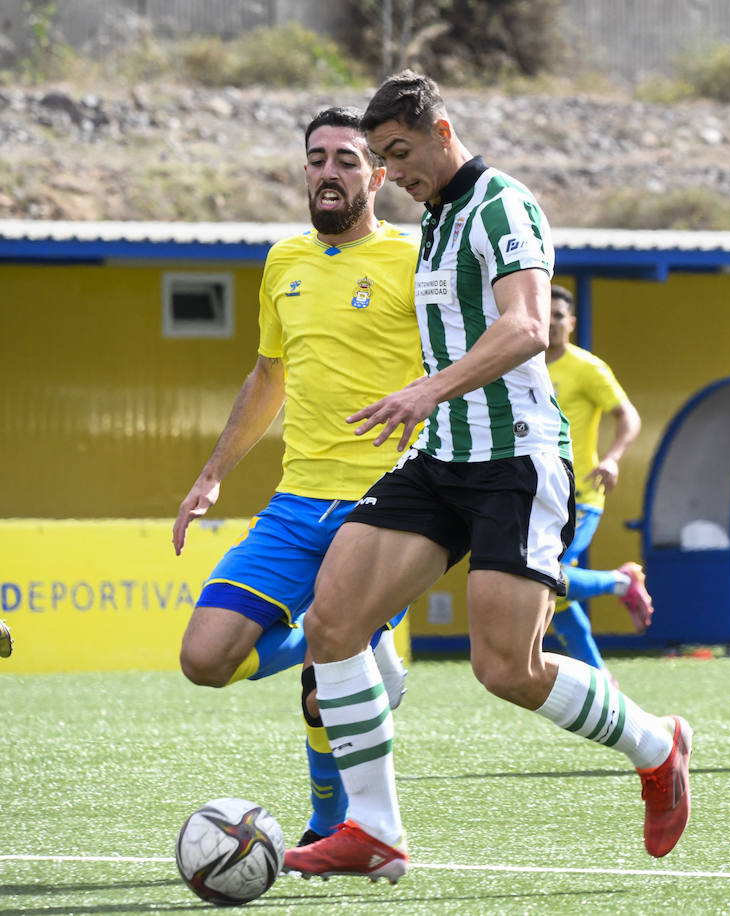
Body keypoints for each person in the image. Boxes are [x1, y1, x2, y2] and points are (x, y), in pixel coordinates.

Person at [283, 71, 691, 881]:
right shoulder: (431, 221)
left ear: (442, 130)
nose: (392, 174)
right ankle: (376, 829)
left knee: (506, 668)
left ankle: (657, 745)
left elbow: (528, 327)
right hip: (441, 457)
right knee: (332, 621)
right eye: (382, 160)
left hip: (518, 461)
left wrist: (424, 389)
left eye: (399, 154)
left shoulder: (502, 204)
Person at [171, 106, 416, 847]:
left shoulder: (416, 260)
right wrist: (212, 472)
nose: (330, 171)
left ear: (376, 174)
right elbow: (268, 375)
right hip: (295, 500)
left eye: (347, 159)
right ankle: (347, 642)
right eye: (318, 158)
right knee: (204, 660)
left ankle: (327, 824)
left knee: (323, 687)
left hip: (388, 507)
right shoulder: (283, 263)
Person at [544, 284, 654, 671]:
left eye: (559, 316)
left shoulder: (586, 367)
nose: (551, 322)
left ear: (571, 323)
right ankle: (602, 680)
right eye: (544, 313)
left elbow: (628, 415)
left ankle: (620, 582)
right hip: (536, 494)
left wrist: (612, 459)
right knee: (551, 594)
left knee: (547, 578)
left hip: (581, 494)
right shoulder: (519, 364)